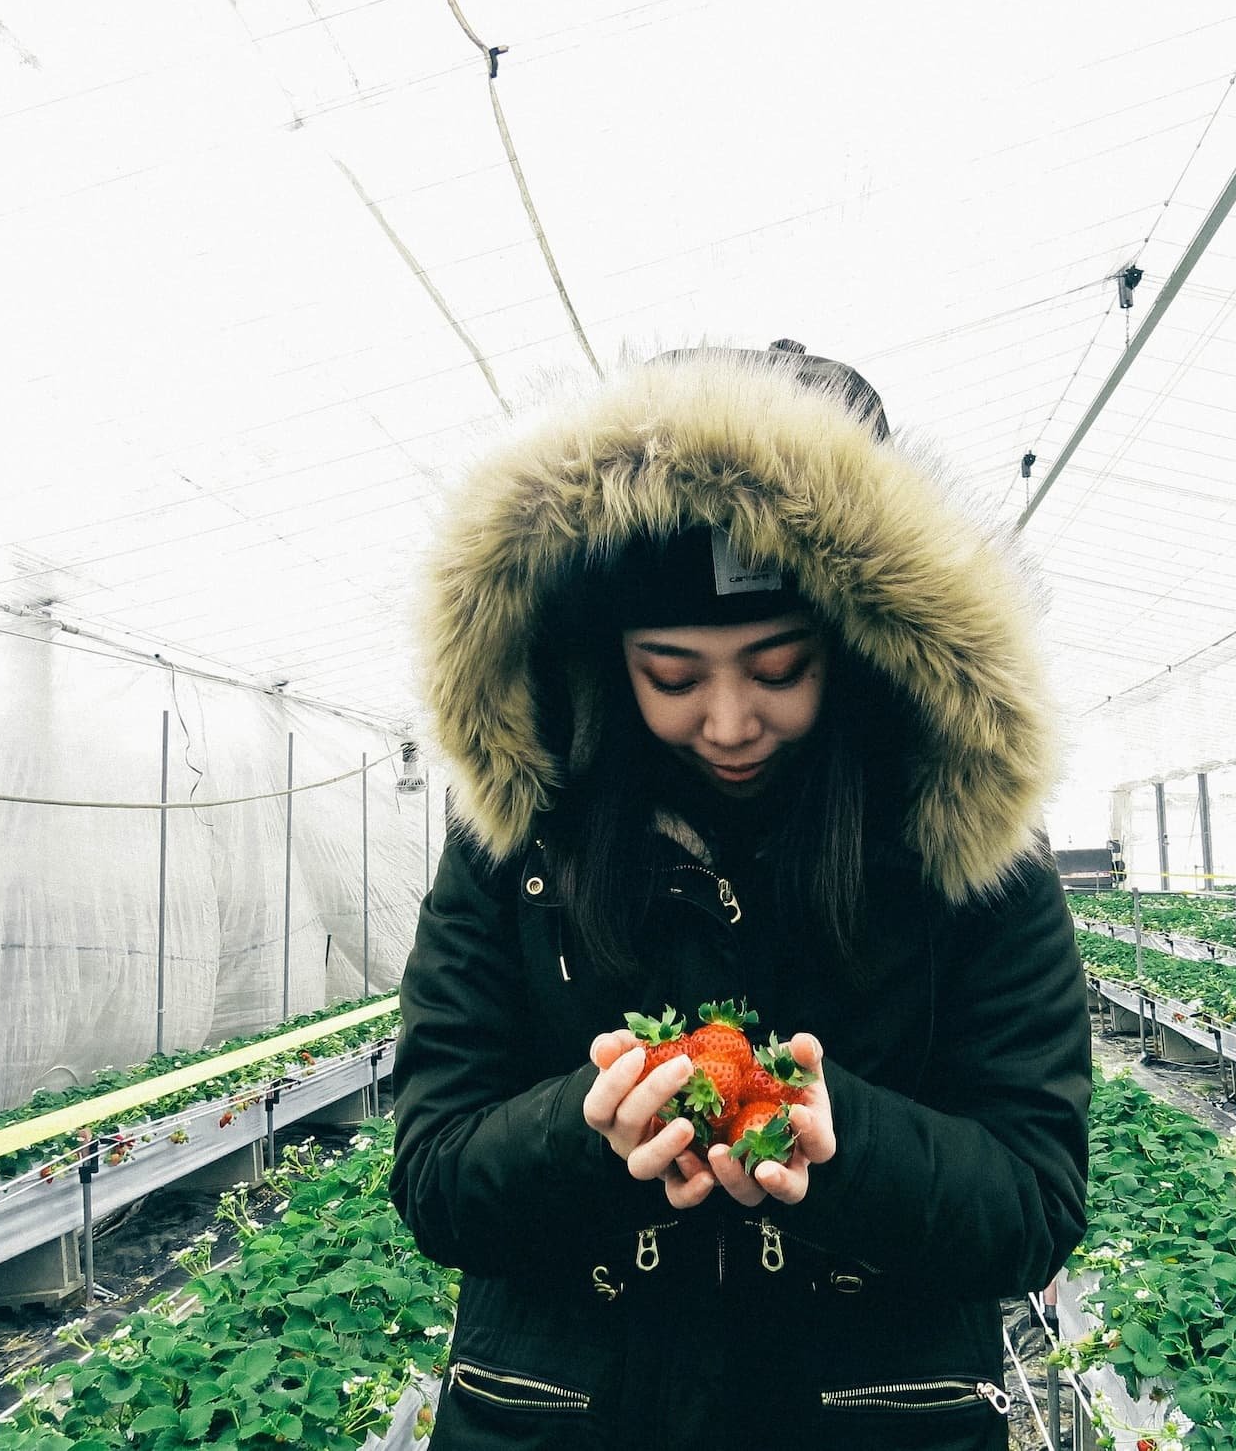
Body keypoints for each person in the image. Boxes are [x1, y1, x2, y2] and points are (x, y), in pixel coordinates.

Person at [389, 341, 1091, 1450]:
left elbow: (1034, 1206)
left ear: (859, 647)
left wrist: (843, 1143)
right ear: (605, 656)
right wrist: (586, 1135)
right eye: (671, 676)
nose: (726, 723)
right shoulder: (522, 841)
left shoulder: (962, 855)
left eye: (778, 669)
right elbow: (434, 1175)